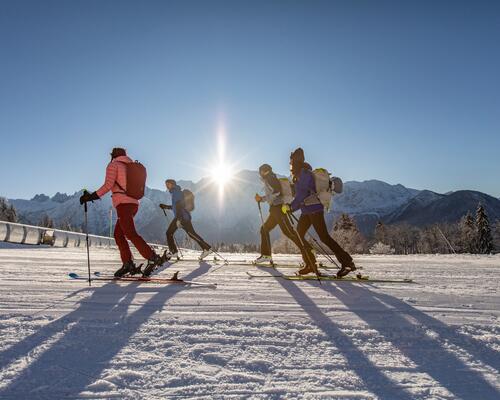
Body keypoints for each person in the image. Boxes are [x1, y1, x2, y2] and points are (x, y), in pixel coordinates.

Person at [79, 147, 164, 277]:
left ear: (113, 155)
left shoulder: (114, 165)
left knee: (130, 233)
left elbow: (108, 185)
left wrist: (91, 196)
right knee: (119, 234)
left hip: (123, 204)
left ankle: (152, 257)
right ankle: (127, 263)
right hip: (133, 203)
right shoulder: (130, 165)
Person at [283, 148, 357, 277]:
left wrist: (291, 207)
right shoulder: (300, 174)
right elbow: (301, 196)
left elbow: (301, 195)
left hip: (314, 210)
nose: (290, 163)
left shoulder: (304, 173)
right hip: (307, 211)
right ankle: (310, 264)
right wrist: (291, 206)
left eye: (291, 160)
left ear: (295, 160)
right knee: (299, 235)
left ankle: (348, 263)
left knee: (324, 237)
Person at [254, 164, 317, 273]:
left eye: (260, 171)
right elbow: (275, 193)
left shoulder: (270, 179)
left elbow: (277, 191)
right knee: (264, 229)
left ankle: (309, 255)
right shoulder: (270, 178)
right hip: (275, 210)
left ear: (264, 171)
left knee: (290, 233)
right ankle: (266, 255)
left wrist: (262, 198)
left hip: (279, 210)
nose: (259, 173)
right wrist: (263, 199)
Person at [159, 179, 212, 264]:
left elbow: (179, 206)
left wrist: (179, 220)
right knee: (191, 234)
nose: (166, 186)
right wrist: (166, 207)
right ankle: (206, 248)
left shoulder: (176, 193)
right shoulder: (176, 192)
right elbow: (176, 206)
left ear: (172, 184)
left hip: (182, 217)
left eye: (168, 184)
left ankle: (174, 251)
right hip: (183, 216)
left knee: (170, 233)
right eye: (166, 184)